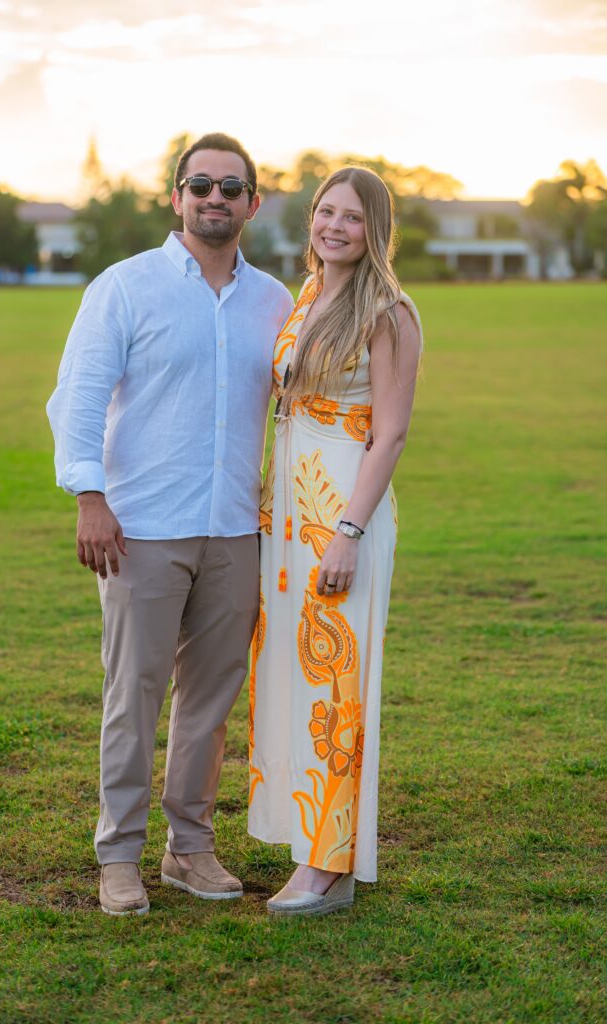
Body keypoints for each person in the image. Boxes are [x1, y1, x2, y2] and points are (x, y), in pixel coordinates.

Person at [46, 133, 293, 916]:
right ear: (177, 196)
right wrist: (89, 495)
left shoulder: (275, 301)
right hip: (140, 528)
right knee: (134, 697)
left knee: (209, 704)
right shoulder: (125, 286)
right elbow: (79, 396)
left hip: (234, 529)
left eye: (231, 187)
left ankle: (189, 848)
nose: (214, 198)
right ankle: (118, 856)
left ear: (252, 203)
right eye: (200, 185)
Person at [248, 167, 423, 916]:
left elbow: (391, 433)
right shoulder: (308, 293)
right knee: (290, 679)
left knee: (335, 685)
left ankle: (327, 865)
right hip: (287, 518)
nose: (334, 226)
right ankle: (309, 841)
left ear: (375, 228)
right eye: (325, 211)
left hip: (342, 515)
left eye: (351, 217)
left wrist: (348, 532)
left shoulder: (389, 310)